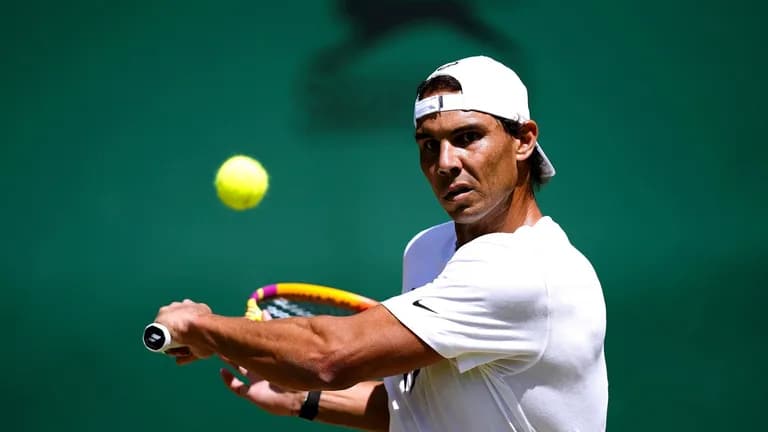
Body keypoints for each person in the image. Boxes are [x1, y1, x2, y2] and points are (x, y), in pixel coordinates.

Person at [152, 55, 608, 431]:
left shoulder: (525, 270)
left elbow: (328, 357)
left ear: (523, 140)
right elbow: (414, 411)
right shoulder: (427, 250)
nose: (445, 162)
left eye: (468, 137)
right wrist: (300, 399)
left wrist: (200, 326)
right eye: (428, 144)